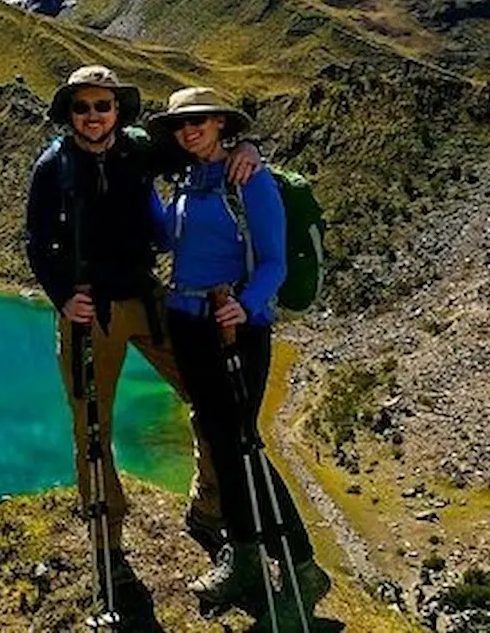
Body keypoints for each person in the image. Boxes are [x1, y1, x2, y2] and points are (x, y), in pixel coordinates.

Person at [24, 66, 260, 584]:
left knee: (208, 396)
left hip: (150, 299)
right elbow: (37, 242)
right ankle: (106, 537)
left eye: (102, 106)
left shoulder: (138, 149)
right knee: (92, 426)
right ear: (70, 113)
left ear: (117, 111)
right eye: (82, 107)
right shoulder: (52, 167)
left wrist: (248, 147)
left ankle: (210, 508)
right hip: (92, 311)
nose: (92, 116)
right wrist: (63, 297)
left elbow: (203, 148)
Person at [148, 87, 330, 622]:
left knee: (243, 444)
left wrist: (246, 306)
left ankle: (300, 563)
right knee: (221, 441)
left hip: (235, 330)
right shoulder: (186, 182)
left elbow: (272, 260)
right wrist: (135, 185)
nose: (189, 130)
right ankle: (245, 554)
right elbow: (164, 238)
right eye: (181, 124)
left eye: (199, 121)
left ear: (223, 123)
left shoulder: (250, 179)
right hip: (187, 323)